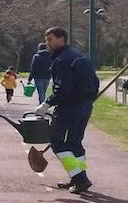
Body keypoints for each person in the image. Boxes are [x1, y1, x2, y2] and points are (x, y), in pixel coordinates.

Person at [43, 26, 100, 193]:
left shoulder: (62, 60)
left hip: (69, 107)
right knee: (75, 143)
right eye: (47, 40)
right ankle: (77, 177)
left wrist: (47, 103)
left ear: (61, 40)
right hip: (85, 106)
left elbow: (63, 88)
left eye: (50, 40)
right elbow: (95, 82)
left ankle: (79, 178)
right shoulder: (80, 57)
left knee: (57, 142)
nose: (47, 43)